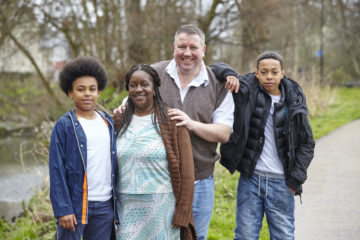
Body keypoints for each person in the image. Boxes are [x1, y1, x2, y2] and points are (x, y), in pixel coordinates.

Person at [115, 24, 235, 239]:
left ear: (204, 49)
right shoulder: (154, 73)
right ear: (173, 48)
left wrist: (191, 124)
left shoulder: (218, 84)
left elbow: (224, 132)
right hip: (158, 183)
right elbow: (129, 105)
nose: (187, 53)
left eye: (193, 47)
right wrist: (121, 110)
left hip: (199, 180)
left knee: (195, 236)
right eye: (182, 46)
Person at [210, 51, 316, 240]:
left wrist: (296, 178)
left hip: (283, 182)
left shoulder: (294, 100)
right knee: (244, 235)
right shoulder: (246, 91)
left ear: (283, 73)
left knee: (283, 235)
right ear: (256, 73)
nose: (269, 77)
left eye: (274, 72)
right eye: (264, 72)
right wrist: (230, 74)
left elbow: (307, 143)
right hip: (251, 179)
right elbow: (214, 68)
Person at [113, 64, 196, 239]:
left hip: (163, 206)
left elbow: (187, 173)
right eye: (133, 85)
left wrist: (183, 211)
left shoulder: (173, 121)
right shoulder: (119, 121)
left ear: (155, 88)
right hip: (126, 206)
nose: (138, 89)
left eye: (144, 84)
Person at [49, 56, 119, 240]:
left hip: (105, 206)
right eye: (81, 89)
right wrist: (63, 209)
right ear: (70, 92)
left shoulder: (109, 122)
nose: (87, 94)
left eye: (92, 89)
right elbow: (56, 170)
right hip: (75, 206)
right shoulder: (64, 126)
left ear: (98, 92)